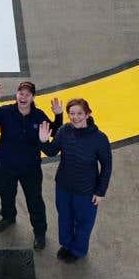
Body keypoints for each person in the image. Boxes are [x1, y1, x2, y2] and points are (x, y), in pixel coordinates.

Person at [38, 97, 112, 262]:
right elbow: (51, 151)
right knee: (64, 217)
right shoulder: (64, 130)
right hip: (63, 186)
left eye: (79, 113)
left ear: (87, 114)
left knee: (83, 222)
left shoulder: (99, 138)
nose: (75, 117)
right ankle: (66, 244)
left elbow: (106, 166)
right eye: (71, 113)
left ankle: (78, 250)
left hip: (86, 191)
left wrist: (100, 192)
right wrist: (43, 141)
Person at [0, 80, 56, 250]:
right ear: (17, 94)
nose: (23, 97)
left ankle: (39, 232)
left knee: (34, 201)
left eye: (27, 94)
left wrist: (58, 115)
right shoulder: (6, 111)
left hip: (30, 168)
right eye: (20, 93)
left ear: (32, 97)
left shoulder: (39, 116)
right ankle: (8, 217)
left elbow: (54, 129)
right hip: (6, 165)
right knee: (5, 193)